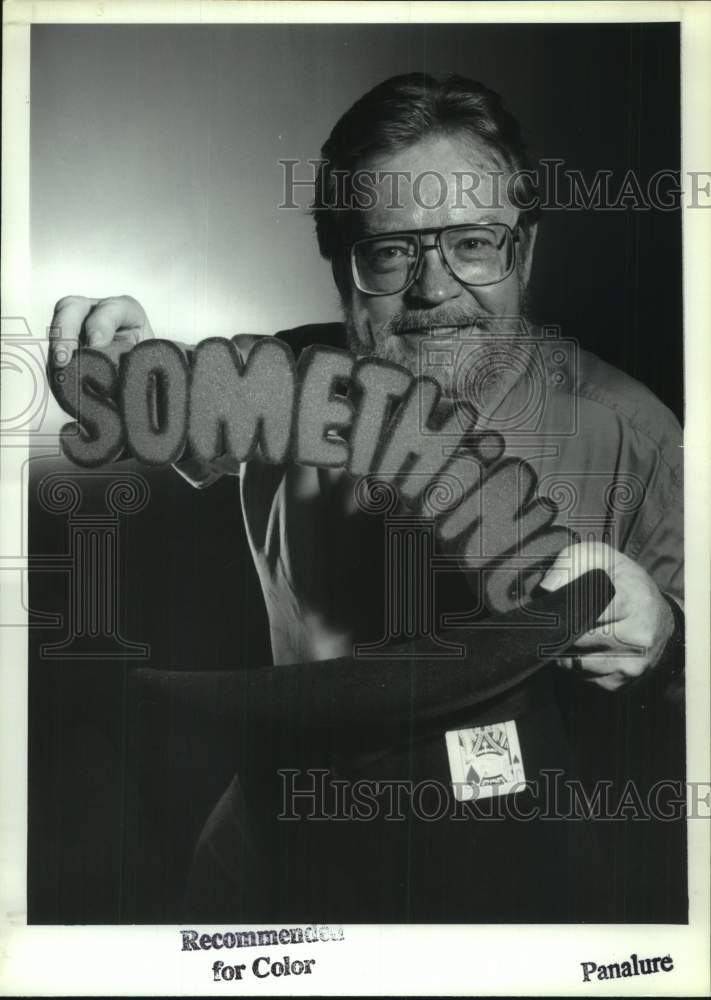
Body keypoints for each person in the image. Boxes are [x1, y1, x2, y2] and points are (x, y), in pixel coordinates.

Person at [47, 74, 685, 922]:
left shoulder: (633, 435)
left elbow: (686, 688)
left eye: (473, 243)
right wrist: (118, 367)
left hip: (517, 861)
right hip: (279, 839)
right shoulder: (276, 387)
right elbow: (160, 410)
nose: (433, 289)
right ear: (340, 265)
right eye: (390, 252)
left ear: (523, 252)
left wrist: (667, 639)